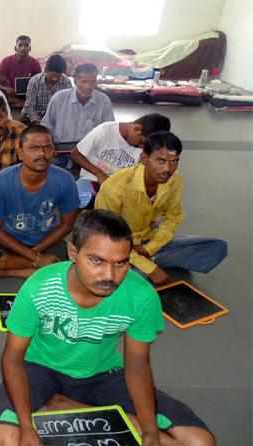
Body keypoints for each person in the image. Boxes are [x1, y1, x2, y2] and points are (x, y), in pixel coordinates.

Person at [0, 209, 216, 446]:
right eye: (97, 260)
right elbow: (12, 357)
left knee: (199, 442)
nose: (109, 275)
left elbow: (137, 362)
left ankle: (67, 404)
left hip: (103, 374)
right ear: (73, 252)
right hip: (40, 370)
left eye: (121, 263)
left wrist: (150, 431)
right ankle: (70, 404)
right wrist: (27, 425)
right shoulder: (38, 288)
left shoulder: (141, 295)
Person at [95, 131, 227, 286]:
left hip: (147, 239)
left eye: (174, 162)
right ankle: (136, 265)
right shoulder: (114, 188)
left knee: (215, 247)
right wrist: (149, 268)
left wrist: (149, 249)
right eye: (160, 161)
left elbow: (173, 217)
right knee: (133, 279)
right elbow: (106, 236)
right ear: (144, 159)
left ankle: (143, 261)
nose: (168, 169)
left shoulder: (174, 180)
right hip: (115, 244)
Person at [0, 125, 78, 281]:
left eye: (47, 148)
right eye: (34, 148)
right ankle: (41, 267)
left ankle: (5, 271)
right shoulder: (1, 181)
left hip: (46, 240)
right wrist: (36, 258)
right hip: (9, 240)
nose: (41, 154)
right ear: (20, 154)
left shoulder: (65, 180)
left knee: (72, 264)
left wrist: (35, 252)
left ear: (54, 152)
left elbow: (67, 224)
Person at [72, 113, 171, 208]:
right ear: (137, 130)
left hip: (121, 186)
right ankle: (104, 204)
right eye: (141, 142)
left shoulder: (147, 147)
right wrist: (99, 174)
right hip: (92, 179)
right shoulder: (104, 131)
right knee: (72, 194)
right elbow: (76, 154)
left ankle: (105, 204)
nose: (142, 147)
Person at [41, 63, 114, 168]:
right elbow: (45, 126)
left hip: (90, 154)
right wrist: (50, 147)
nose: (88, 86)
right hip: (61, 153)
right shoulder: (59, 99)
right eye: (84, 82)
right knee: (45, 165)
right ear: (75, 81)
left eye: (92, 82)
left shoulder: (104, 101)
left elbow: (109, 131)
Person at [20, 54, 71, 125]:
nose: (55, 79)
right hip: (34, 116)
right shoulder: (35, 81)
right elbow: (30, 107)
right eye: (52, 75)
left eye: (58, 76)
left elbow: (66, 107)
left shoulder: (66, 82)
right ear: (46, 70)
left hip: (55, 117)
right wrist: (36, 121)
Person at [0, 35, 42, 109]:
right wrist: (6, 89)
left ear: (30, 48)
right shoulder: (5, 62)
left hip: (28, 96)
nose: (23, 48)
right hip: (11, 96)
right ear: (15, 48)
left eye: (26, 45)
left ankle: (17, 105)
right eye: (20, 45)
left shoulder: (35, 63)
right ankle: (23, 105)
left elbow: (39, 84)